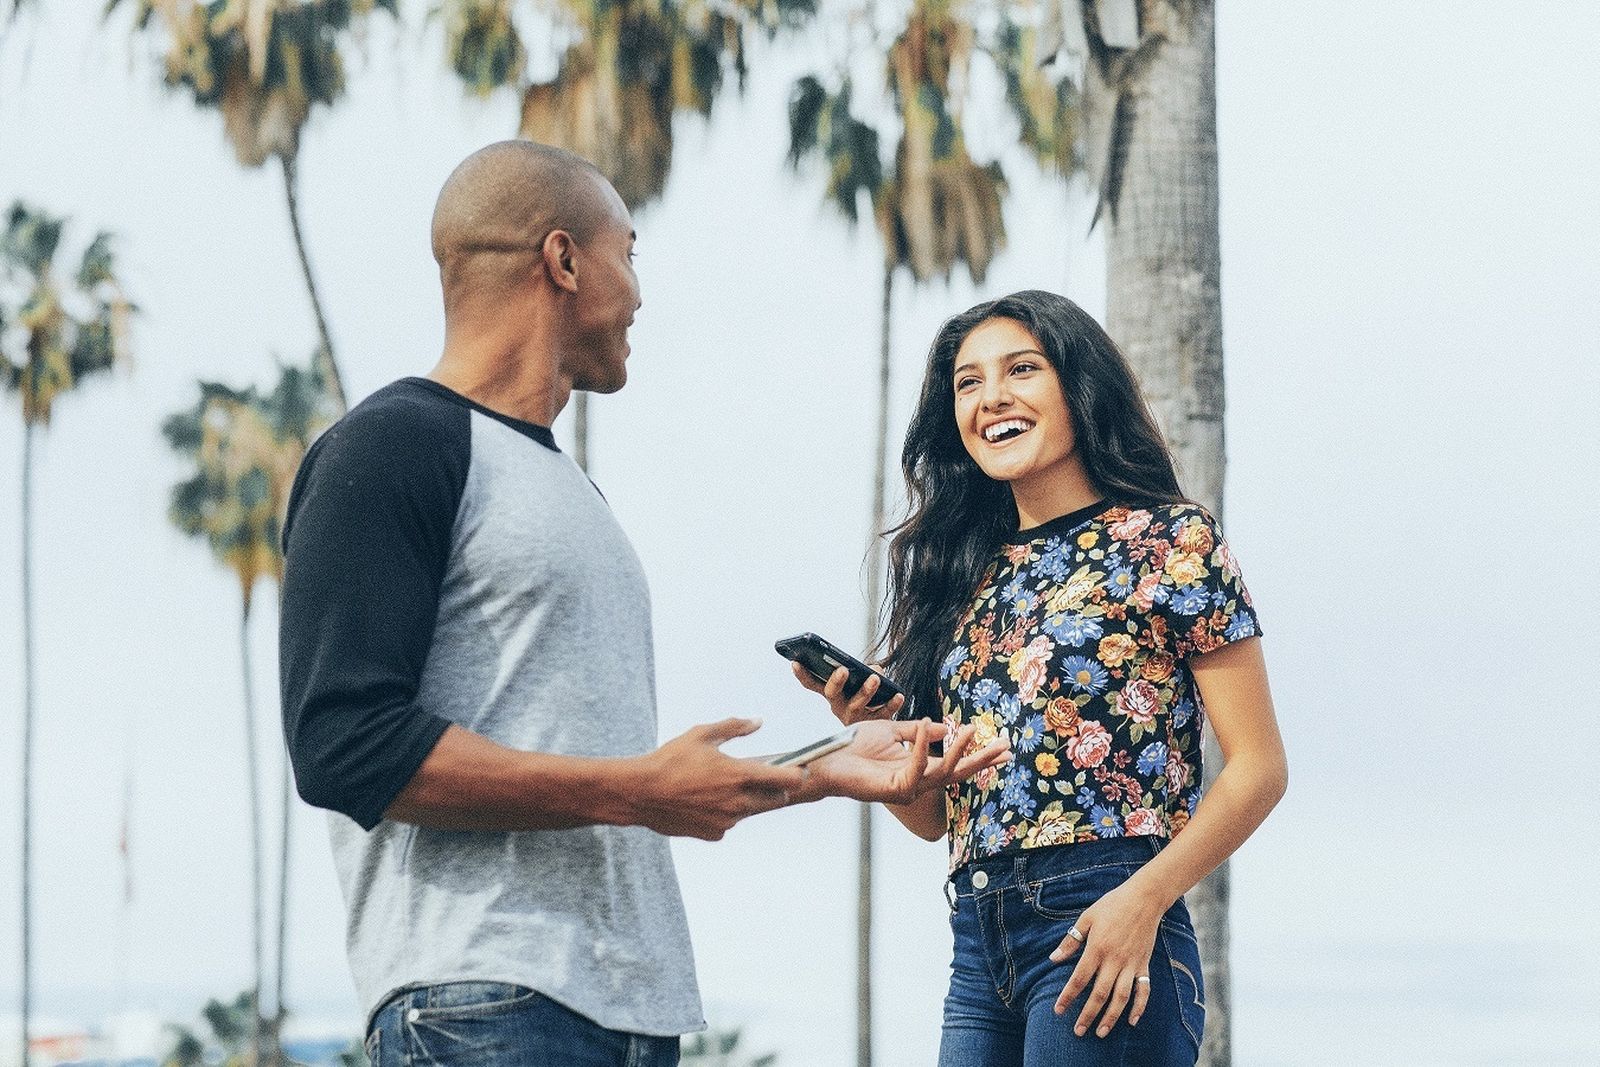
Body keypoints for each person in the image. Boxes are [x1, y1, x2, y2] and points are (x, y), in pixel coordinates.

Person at [278, 140, 1008, 1067]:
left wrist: (829, 761)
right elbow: (344, 746)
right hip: (481, 1003)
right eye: (629, 251)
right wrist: (635, 791)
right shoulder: (389, 446)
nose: (637, 290)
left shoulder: (565, 490)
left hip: (624, 1014)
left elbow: (630, 773)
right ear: (563, 259)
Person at [794, 290, 1288, 1066]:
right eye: (968, 382)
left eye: (1021, 369)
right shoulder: (966, 578)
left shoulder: (1167, 539)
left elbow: (1260, 766)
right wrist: (877, 741)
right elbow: (936, 819)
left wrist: (1144, 899)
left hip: (1109, 911)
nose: (992, 397)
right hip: (977, 935)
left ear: (1077, 386)